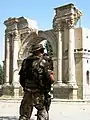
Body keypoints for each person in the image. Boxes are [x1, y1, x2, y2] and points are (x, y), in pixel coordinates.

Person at [19, 44, 54, 120]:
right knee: (42, 111)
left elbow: (21, 79)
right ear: (40, 50)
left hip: (27, 91)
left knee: (24, 115)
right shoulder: (45, 61)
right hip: (40, 92)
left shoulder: (25, 61)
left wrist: (26, 87)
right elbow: (51, 79)